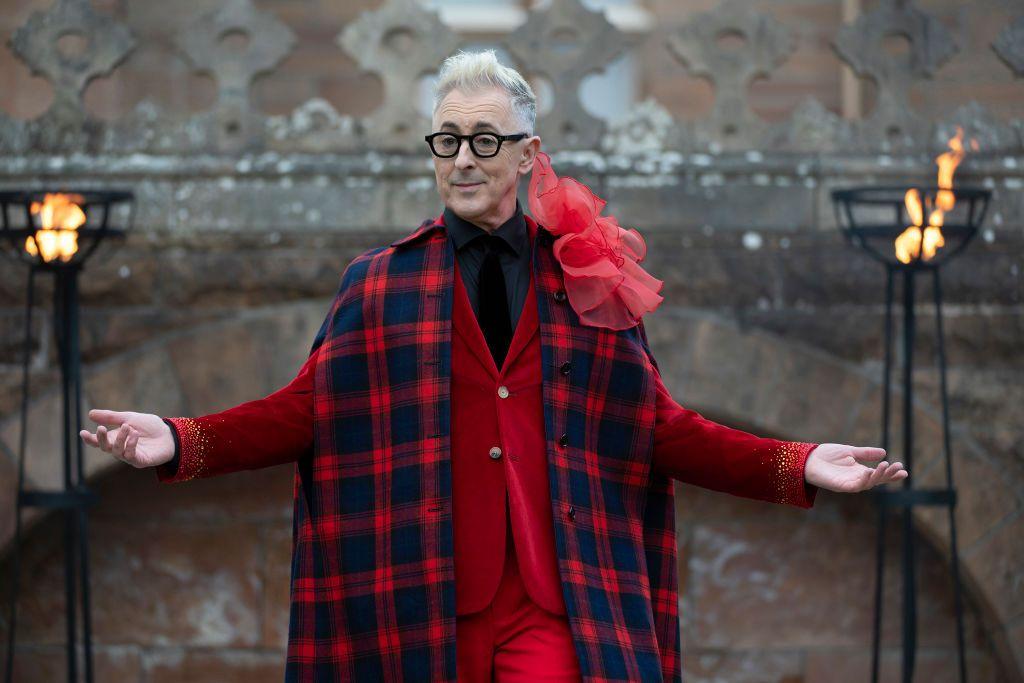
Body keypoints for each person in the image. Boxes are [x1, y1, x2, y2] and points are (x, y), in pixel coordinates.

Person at [80, 50, 907, 682]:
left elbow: (659, 429)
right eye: (447, 139)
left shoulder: (589, 277)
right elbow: (302, 412)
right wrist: (182, 440)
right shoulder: (379, 283)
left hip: (553, 601)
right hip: (416, 595)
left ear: (526, 154)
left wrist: (795, 462)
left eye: (484, 139)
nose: (463, 157)